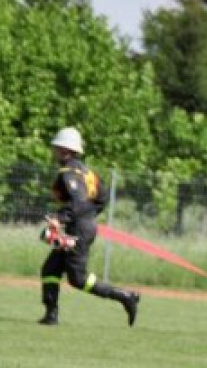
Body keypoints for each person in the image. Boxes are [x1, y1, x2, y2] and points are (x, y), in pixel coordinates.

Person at [38, 127, 140, 326]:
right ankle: (51, 314)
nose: (54, 151)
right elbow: (102, 198)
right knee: (51, 268)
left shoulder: (68, 173)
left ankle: (126, 297)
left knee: (77, 279)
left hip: (78, 229)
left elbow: (77, 201)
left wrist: (60, 219)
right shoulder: (87, 172)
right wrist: (88, 218)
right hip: (83, 226)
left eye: (56, 147)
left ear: (64, 150)